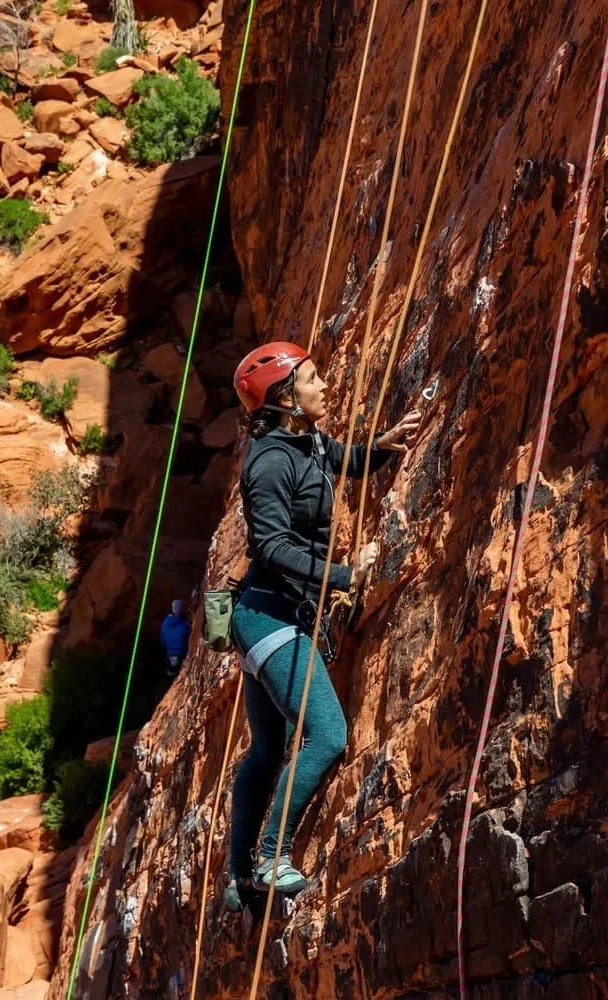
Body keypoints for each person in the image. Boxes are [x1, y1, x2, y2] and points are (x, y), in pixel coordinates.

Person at [223, 340, 420, 906]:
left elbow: (338, 461)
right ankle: (269, 857)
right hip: (269, 618)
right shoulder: (269, 461)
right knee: (328, 735)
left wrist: (378, 449)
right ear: (286, 396)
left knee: (267, 749)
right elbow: (272, 544)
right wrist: (341, 574)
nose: (324, 386)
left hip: (273, 618)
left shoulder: (303, 441)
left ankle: (239, 880)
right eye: (312, 379)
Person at [160, 599, 192, 676]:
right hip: (181, 654)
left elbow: (163, 639)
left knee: (171, 671)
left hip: (170, 653)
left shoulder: (166, 621)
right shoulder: (186, 625)